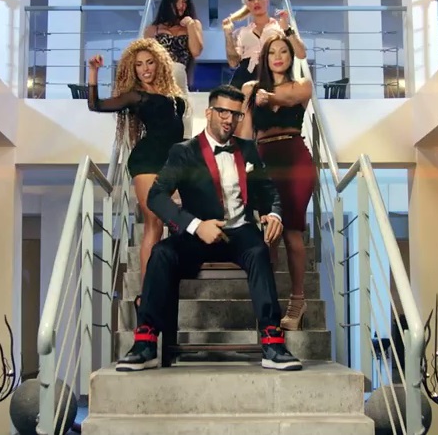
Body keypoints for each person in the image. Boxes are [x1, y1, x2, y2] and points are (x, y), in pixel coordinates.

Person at [115, 85, 304, 372]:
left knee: (259, 251)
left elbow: (269, 192)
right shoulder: (183, 152)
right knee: (161, 253)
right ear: (209, 113)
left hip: (240, 232)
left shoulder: (248, 149)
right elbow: (156, 196)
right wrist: (195, 225)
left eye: (236, 114)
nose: (229, 120)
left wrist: (274, 214)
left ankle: (272, 343)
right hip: (196, 234)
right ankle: (145, 343)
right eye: (223, 112)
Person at [84, 39, 188, 310]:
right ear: (133, 69)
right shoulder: (135, 96)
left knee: (172, 220)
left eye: (150, 62)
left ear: (159, 64)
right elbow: (96, 105)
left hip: (173, 161)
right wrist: (93, 72)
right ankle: (147, 293)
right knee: (154, 221)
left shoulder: (172, 93)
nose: (145, 69)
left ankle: (163, 281)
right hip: (147, 160)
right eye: (139, 65)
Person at [239, 35, 315, 331]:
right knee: (267, 234)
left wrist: (269, 98)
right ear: (265, 57)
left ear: (291, 57)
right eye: (273, 52)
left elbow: (289, 100)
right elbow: (245, 133)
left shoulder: (301, 85)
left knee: (292, 231)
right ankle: (268, 305)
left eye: (284, 51)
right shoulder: (250, 88)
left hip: (295, 158)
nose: (279, 56)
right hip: (263, 160)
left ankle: (297, 302)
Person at [221, 0, 306, 91]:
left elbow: (301, 54)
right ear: (247, 5)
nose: (256, 2)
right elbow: (233, 63)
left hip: (274, 78)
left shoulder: (280, 27)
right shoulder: (241, 32)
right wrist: (228, 35)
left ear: (267, 1)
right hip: (244, 80)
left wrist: (287, 29)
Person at [144, 0, 203, 97]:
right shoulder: (153, 29)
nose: (181, 5)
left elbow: (196, 51)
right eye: (177, 1)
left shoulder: (193, 24)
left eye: (184, 1)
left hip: (180, 80)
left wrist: (190, 24)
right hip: (158, 83)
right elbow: (145, 59)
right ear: (169, 2)